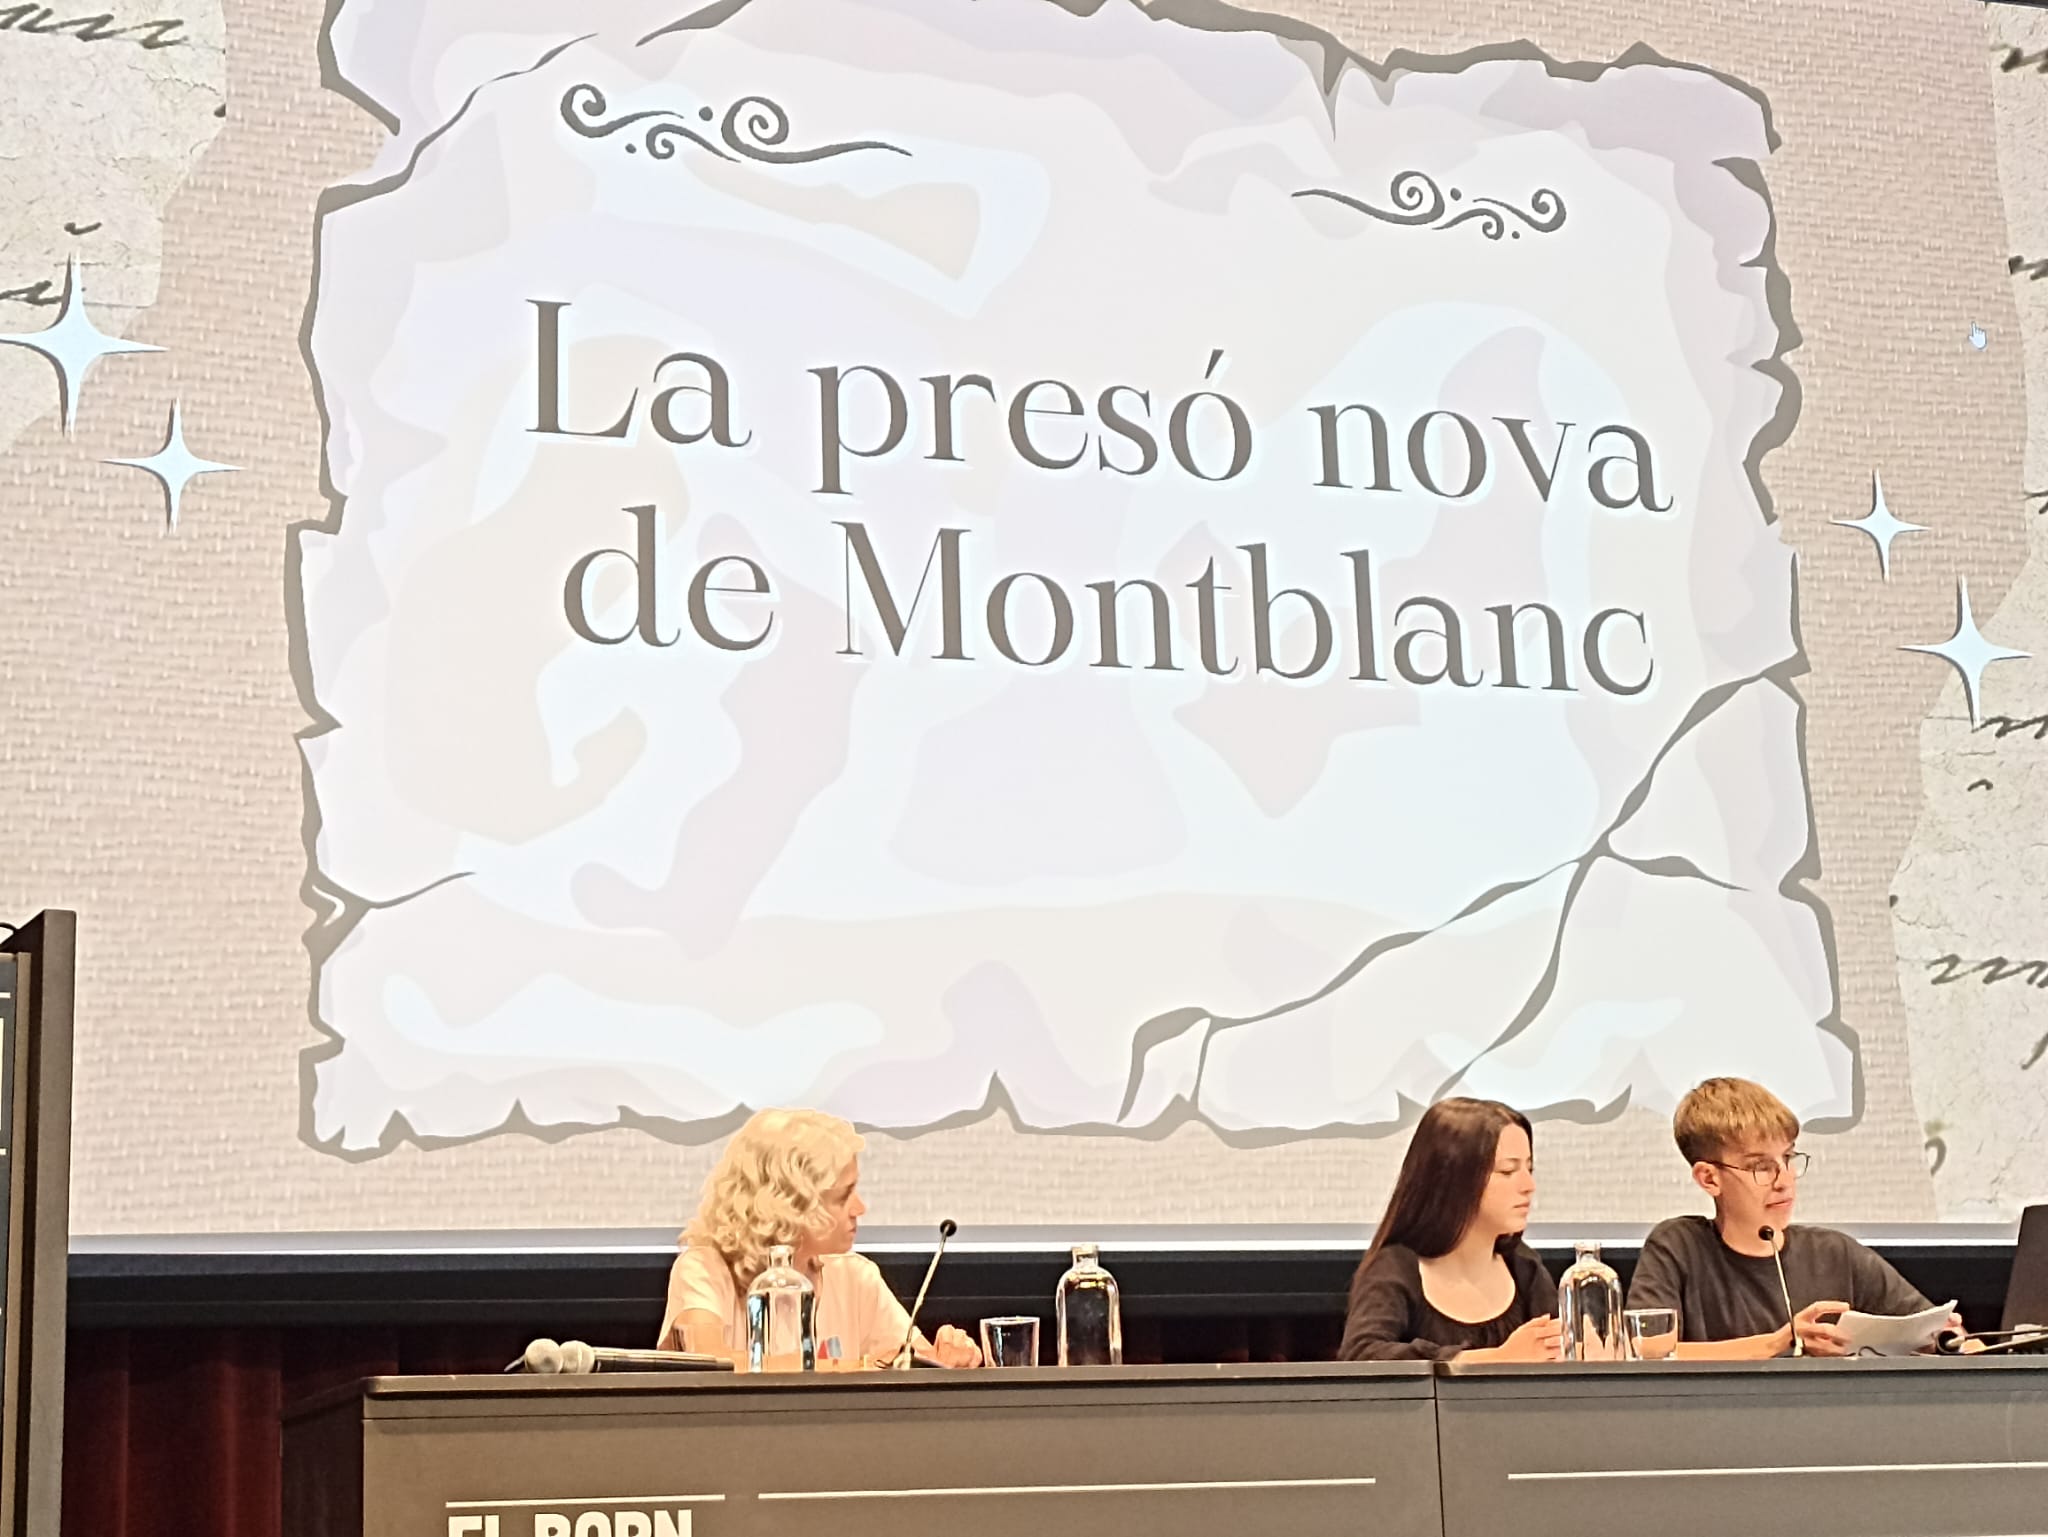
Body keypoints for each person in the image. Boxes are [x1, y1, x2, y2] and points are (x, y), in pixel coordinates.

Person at [1627, 1078, 1962, 1357]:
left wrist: (1947, 1338)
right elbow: (1644, 1351)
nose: (1784, 1180)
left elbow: (1936, 1332)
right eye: (1761, 1166)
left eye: (1787, 1158)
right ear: (1709, 1178)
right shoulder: (1679, 1247)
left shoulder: (1835, 1254)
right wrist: (1779, 1342)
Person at [658, 1108, 982, 1368]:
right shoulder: (703, 1270)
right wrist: (856, 1368)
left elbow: (912, 1365)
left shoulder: (856, 1276)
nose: (860, 1208)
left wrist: (950, 1357)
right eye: (843, 1196)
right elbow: (707, 1364)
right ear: (788, 1205)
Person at [1337, 1097, 1563, 1362]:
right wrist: (1496, 1359)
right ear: (1454, 1179)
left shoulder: (1524, 1266)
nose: (1528, 1186)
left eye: (1529, 1168)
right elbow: (1362, 1356)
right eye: (1507, 1171)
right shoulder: (1397, 1267)